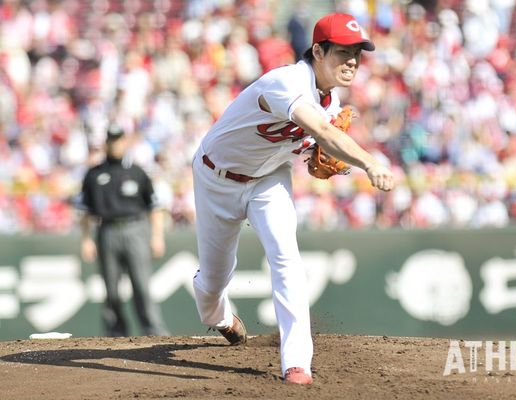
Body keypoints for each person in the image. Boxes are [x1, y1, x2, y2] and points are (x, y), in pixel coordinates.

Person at [191, 13, 394, 385]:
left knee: (286, 257)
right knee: (214, 280)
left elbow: (317, 139)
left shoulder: (332, 102)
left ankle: (296, 362)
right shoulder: (286, 81)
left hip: (268, 179)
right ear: (318, 50)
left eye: (358, 54)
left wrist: (321, 158)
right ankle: (217, 316)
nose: (352, 61)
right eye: (343, 52)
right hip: (216, 178)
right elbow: (317, 128)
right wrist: (367, 162)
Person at [79, 124, 170, 337]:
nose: (115, 144)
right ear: (105, 143)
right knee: (111, 289)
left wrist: (157, 236)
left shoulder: (137, 172)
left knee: (142, 285)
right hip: (107, 230)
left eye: (119, 139)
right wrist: (86, 239)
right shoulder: (94, 174)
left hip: (136, 228)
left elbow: (154, 207)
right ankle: (115, 333)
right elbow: (85, 211)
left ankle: (153, 331)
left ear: (125, 142)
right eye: (111, 140)